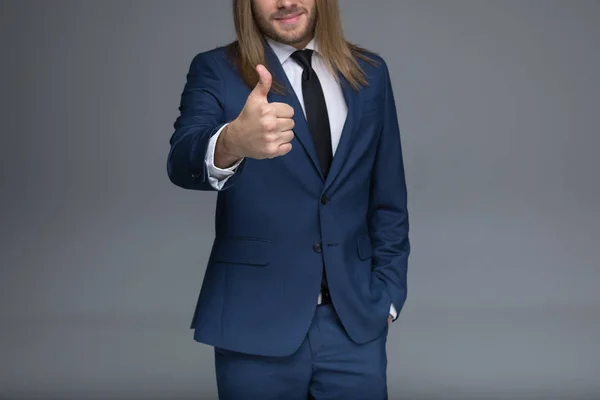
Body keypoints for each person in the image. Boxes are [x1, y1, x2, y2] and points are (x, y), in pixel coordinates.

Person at [166, 0, 410, 398]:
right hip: (255, 321)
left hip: (355, 324)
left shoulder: (370, 73)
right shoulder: (215, 69)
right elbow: (181, 161)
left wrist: (388, 297)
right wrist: (231, 142)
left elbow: (389, 199)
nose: (285, 2)